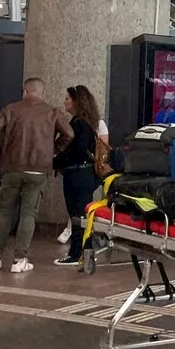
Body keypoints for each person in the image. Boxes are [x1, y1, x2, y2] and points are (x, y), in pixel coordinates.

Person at [0, 78, 73, 273]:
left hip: (12, 168)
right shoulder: (52, 112)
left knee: (5, 212)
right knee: (28, 215)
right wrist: (53, 150)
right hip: (38, 170)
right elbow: (69, 134)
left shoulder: (11, 109)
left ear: (25, 91)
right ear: (42, 93)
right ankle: (19, 260)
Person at [55, 85, 101, 267]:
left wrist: (58, 160)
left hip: (78, 174)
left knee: (77, 214)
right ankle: (85, 253)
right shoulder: (87, 122)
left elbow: (78, 149)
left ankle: (76, 253)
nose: (64, 102)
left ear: (76, 101)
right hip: (85, 174)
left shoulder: (79, 124)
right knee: (81, 214)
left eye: (67, 98)